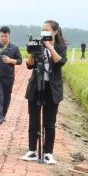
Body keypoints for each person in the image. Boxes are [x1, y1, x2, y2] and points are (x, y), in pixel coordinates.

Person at [21, 20, 68, 164]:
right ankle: (32, 151)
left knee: (49, 123)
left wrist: (49, 47)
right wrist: (33, 52)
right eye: (42, 29)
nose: (44, 32)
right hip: (36, 87)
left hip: (52, 89)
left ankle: (48, 153)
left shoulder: (60, 47)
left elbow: (60, 62)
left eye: (47, 29)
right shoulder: (38, 44)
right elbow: (29, 65)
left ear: (55, 31)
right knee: (33, 121)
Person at [0, 26, 22, 124]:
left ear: (9, 36)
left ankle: (3, 114)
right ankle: (0, 116)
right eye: (1, 36)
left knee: (7, 97)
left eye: (5, 36)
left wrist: (10, 60)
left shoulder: (14, 48)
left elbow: (20, 61)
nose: (3, 38)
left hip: (8, 77)